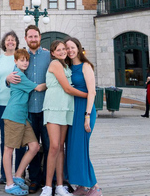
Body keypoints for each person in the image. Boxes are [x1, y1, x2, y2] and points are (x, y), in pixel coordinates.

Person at [41, 40, 87, 196]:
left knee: (61, 147)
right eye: (58, 50)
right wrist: (89, 95)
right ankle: (48, 186)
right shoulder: (55, 64)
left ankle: (60, 186)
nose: (62, 52)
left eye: (63, 49)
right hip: (54, 107)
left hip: (66, 108)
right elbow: (67, 88)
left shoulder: (67, 66)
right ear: (53, 53)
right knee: (54, 146)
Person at [8, 25, 50, 194]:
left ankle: (49, 179)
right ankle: (34, 179)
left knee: (47, 145)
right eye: (30, 37)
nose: (33, 39)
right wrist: (7, 78)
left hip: (46, 108)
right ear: (25, 38)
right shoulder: (22, 56)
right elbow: (13, 76)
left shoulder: (48, 55)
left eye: (36, 36)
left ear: (40, 37)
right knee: (32, 146)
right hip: (28, 111)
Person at [65, 38, 100, 196]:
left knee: (82, 149)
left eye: (72, 47)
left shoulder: (86, 66)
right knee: (74, 149)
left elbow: (92, 92)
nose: (70, 50)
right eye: (67, 48)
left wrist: (87, 116)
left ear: (78, 48)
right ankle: (80, 185)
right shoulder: (69, 67)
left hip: (85, 110)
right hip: (73, 110)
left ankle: (95, 186)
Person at [0, 31, 20, 184]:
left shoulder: (21, 57)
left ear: (17, 42)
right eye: (8, 40)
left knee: (20, 140)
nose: (10, 42)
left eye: (13, 40)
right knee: (5, 140)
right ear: (4, 43)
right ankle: (5, 174)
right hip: (2, 103)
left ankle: (19, 173)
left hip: (18, 104)